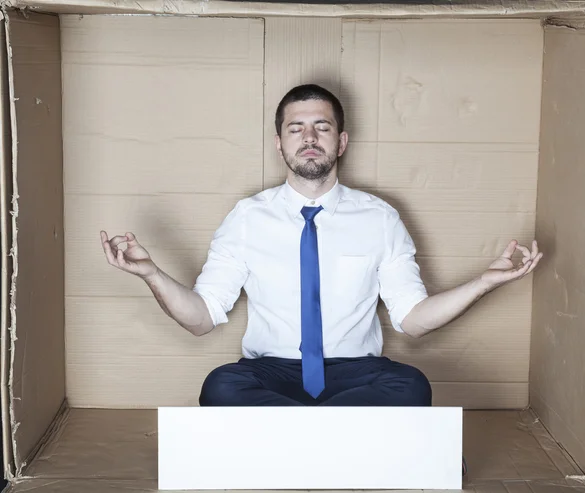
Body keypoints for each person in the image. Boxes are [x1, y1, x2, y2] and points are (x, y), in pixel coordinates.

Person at [100, 84, 543, 409]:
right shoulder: (247, 218)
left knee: (411, 387)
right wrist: (152, 275)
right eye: (296, 129)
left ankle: (292, 441)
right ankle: (345, 440)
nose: (309, 138)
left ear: (341, 142)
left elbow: (413, 320)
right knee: (221, 387)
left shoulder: (380, 217)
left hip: (357, 373)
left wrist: (483, 283)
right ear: (279, 144)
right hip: (272, 371)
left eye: (321, 127)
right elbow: (201, 319)